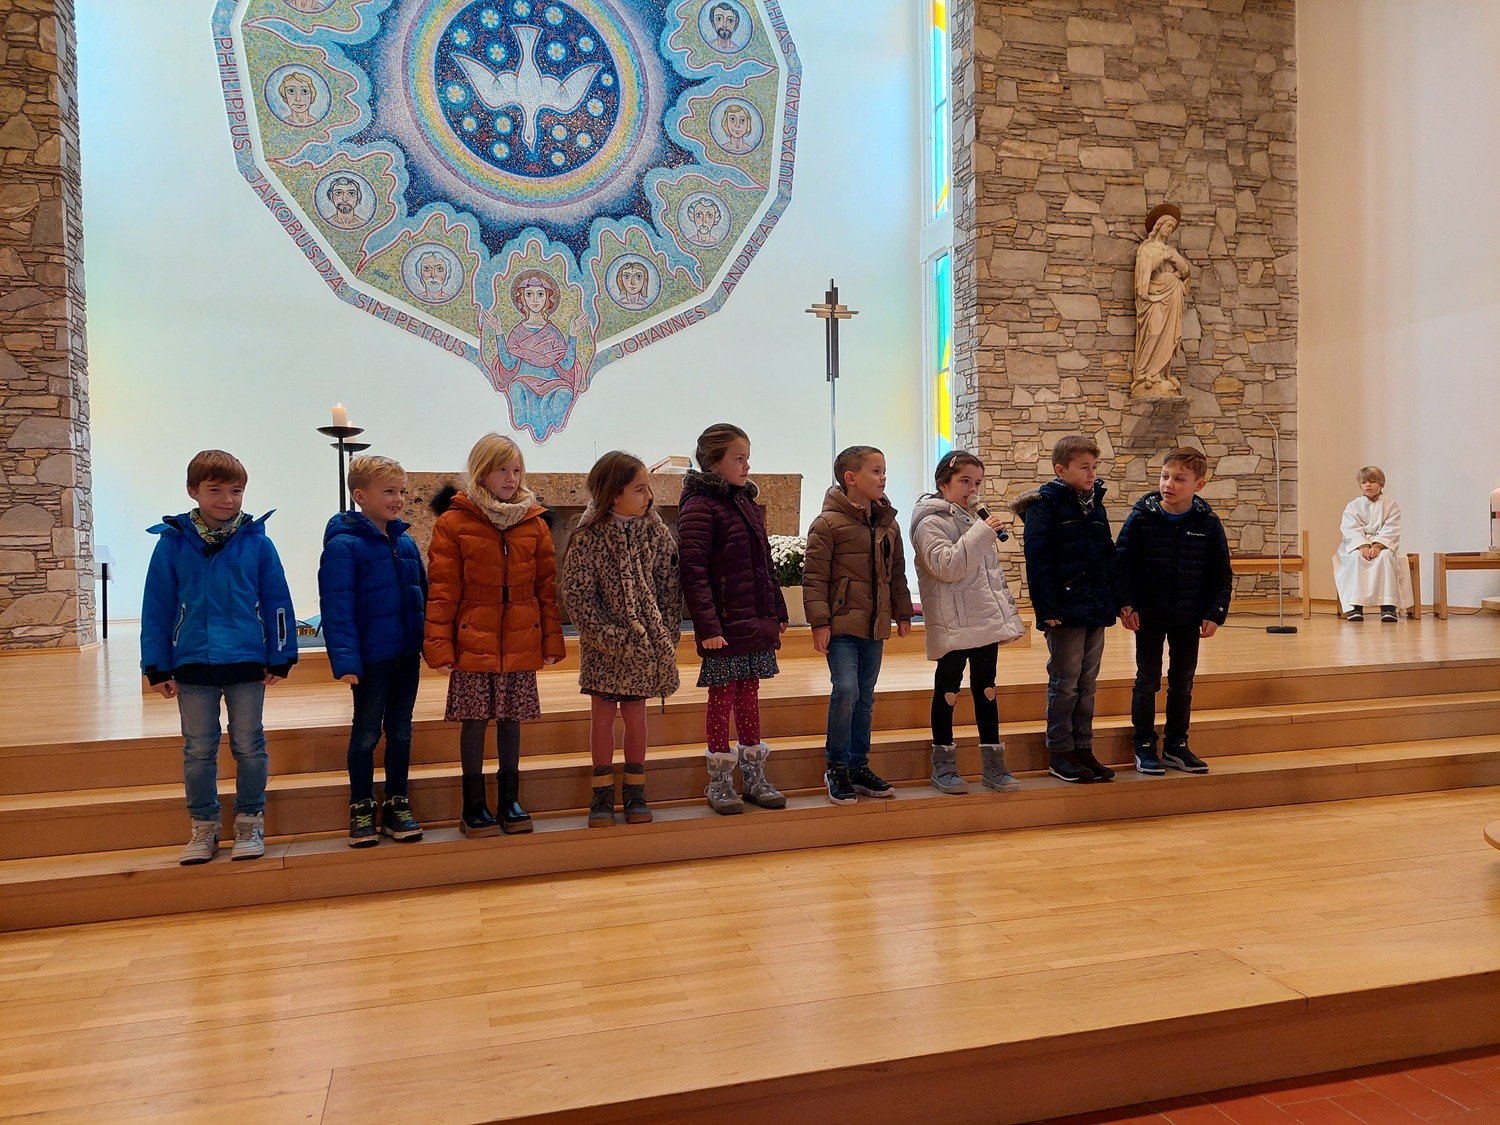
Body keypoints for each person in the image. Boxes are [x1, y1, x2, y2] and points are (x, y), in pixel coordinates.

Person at [140, 450, 297, 865]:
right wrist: (155, 665)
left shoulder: (258, 543)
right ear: (193, 491)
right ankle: (204, 826)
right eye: (215, 490)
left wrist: (281, 655)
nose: (227, 500)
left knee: (249, 745)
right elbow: (156, 607)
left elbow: (278, 602)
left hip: (246, 662)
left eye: (236, 491)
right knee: (198, 749)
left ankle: (249, 821)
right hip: (192, 663)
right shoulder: (172, 544)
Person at [424, 433, 565, 837]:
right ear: (481, 472)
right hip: (474, 636)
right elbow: (443, 589)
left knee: (511, 719)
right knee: (474, 720)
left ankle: (509, 799)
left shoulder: (533, 523)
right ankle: (473, 804)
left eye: (516, 469)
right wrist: (439, 646)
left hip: (520, 635)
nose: (511, 477)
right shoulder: (454, 522)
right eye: (502, 469)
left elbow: (545, 588)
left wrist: (551, 639)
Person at [562, 452, 681, 827]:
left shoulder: (654, 533)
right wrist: (613, 638)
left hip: (645, 647)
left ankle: (634, 791)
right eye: (639, 489)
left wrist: (663, 633)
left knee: (636, 715)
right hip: (604, 648)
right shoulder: (587, 537)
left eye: (648, 488)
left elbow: (669, 586)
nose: (649, 496)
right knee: (602, 715)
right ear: (614, 494)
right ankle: (600, 794)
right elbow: (579, 599)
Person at [678, 423, 789, 815]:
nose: (746, 466)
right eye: (738, 459)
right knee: (722, 696)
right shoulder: (699, 506)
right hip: (723, 626)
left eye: (747, 458)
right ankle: (720, 779)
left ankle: (754, 775)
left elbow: (764, 564)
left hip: (752, 620)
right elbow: (693, 572)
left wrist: (778, 610)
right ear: (713, 463)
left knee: (749, 693)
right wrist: (708, 627)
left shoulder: (745, 501)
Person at [317, 454, 428, 847]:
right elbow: (337, 606)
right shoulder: (343, 546)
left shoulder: (406, 543)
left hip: (405, 655)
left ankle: (397, 802)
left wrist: (430, 644)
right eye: (389, 491)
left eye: (402, 492)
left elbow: (422, 598)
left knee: (401, 731)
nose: (399, 499)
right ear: (360, 496)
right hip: (370, 659)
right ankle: (361, 805)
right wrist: (346, 659)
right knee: (366, 733)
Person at [909, 450, 1027, 795]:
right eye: (965, 481)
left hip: (983, 619)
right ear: (943, 484)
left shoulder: (974, 521)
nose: (972, 490)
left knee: (987, 690)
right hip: (954, 622)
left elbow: (988, 577)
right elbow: (947, 566)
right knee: (948, 691)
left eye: (977, 483)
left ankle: (994, 765)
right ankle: (944, 765)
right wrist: (981, 532)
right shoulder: (929, 522)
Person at [804, 445, 915, 805]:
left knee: (865, 697)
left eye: (884, 471)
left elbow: (897, 574)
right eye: (876, 471)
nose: (883, 478)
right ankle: (836, 766)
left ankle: (858, 765)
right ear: (851, 478)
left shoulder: (888, 524)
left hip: (874, 626)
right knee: (846, 690)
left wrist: (902, 613)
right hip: (840, 628)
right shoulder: (827, 524)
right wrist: (820, 622)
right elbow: (815, 578)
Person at [1012, 435, 1122, 784]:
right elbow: (1038, 561)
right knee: (1066, 681)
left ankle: (1083, 747)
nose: (1092, 474)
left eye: (1094, 467)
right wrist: (1046, 608)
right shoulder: (1044, 506)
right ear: (1061, 470)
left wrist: (1117, 599)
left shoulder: (1095, 505)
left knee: (1088, 682)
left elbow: (1107, 555)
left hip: (1095, 605)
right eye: (1084, 467)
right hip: (1064, 608)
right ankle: (1060, 751)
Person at [1115, 448, 1232, 776]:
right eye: (1165, 476)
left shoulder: (1208, 523)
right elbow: (1121, 563)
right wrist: (1125, 603)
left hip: (1188, 616)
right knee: (1147, 679)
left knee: (1182, 682)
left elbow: (1220, 573)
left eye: (1180, 479)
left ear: (1199, 484)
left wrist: (1215, 612)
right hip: (1148, 615)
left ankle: (1177, 744)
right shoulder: (1141, 517)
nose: (1169, 484)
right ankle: (1144, 743)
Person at [483, 267, 590, 441]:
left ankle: (558, 437)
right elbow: (508, 364)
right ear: (522, 298)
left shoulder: (553, 332)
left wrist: (573, 334)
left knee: (565, 393)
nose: (535, 300)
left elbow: (566, 364)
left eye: (540, 294)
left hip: (553, 383)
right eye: (529, 294)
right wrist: (498, 331)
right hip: (524, 381)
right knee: (515, 389)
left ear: (547, 299)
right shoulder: (517, 332)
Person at [1333, 465, 1413, 623]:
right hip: (1357, 546)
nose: (1368, 485)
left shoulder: (1391, 505)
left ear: (1381, 484)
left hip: (1382, 545)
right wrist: (1362, 545)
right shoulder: (1353, 506)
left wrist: (1377, 545)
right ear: (1360, 485)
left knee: (1385, 558)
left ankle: (1388, 607)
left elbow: (1392, 528)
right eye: (1364, 482)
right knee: (1356, 558)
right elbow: (1350, 528)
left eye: (1372, 481)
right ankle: (1355, 607)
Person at [1132, 203, 1192, 397]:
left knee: (1168, 335)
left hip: (1172, 297)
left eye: (1172, 228)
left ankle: (1160, 374)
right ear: (1159, 225)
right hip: (1155, 297)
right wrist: (1162, 257)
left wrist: (1175, 259)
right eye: (1168, 226)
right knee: (1154, 331)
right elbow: (1144, 271)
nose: (1170, 230)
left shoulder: (1171, 250)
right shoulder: (1147, 249)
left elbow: (1185, 272)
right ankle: (1144, 374)